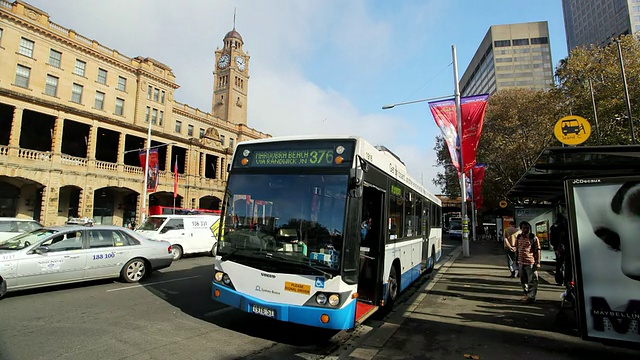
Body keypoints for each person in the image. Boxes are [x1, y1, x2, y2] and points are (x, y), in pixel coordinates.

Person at [516, 221, 541, 304]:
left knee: (532, 281)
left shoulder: (533, 237)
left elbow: (538, 250)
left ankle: (531, 297)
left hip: (530, 262)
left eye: (527, 228)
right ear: (521, 228)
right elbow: (517, 249)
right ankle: (526, 295)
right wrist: (516, 261)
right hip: (521, 262)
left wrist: (538, 262)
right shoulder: (519, 237)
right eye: (524, 228)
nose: (525, 229)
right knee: (523, 281)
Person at [549, 215, 569, 286]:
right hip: (568, 247)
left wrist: (555, 246)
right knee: (568, 265)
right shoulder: (567, 226)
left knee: (559, 264)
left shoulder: (554, 227)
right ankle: (567, 281)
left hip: (558, 248)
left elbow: (551, 239)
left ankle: (559, 280)